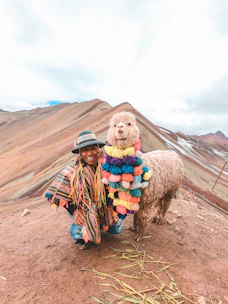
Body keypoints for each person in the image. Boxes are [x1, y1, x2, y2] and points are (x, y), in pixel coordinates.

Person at [44, 130, 123, 249]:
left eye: (92, 148)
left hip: (103, 207)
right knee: (81, 233)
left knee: (116, 229)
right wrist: (74, 210)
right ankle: (77, 231)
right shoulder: (72, 171)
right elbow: (56, 193)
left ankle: (99, 223)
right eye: (85, 150)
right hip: (83, 209)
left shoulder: (107, 166)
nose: (89, 153)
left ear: (98, 149)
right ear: (80, 152)